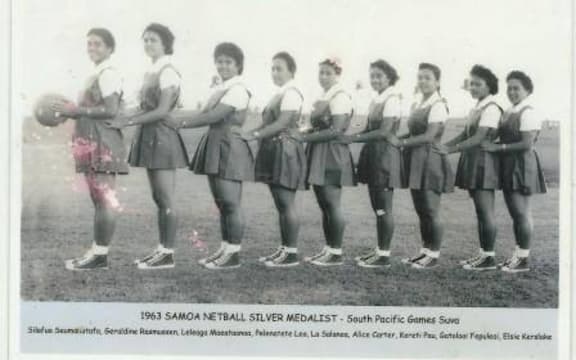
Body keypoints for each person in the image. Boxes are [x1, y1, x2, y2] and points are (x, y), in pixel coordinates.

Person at [106, 23, 189, 269]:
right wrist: (120, 115)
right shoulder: (152, 70)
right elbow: (143, 106)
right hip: (150, 134)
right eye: (145, 40)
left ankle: (168, 253)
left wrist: (128, 120)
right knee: (158, 198)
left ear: (165, 43)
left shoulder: (168, 70)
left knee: (166, 198)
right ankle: (162, 249)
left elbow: (162, 110)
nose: (148, 44)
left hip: (162, 136)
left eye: (153, 40)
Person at [168, 42, 253, 269]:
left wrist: (180, 124)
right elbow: (203, 112)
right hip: (216, 144)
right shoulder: (222, 88)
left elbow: (214, 116)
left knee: (231, 203)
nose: (223, 66)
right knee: (222, 203)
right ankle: (225, 248)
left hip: (229, 146)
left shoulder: (238, 89)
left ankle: (233, 253)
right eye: (220, 61)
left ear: (238, 65)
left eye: (228, 62)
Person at [51, 28, 128, 270]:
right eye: (90, 44)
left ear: (109, 49)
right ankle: (97, 252)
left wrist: (77, 111)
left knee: (104, 199)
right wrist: (69, 112)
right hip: (89, 138)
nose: (92, 48)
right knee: (98, 199)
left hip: (102, 139)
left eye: (98, 44)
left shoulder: (108, 73)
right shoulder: (96, 73)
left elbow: (111, 109)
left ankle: (100, 255)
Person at [387, 63, 454, 269]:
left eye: (428, 78)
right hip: (415, 158)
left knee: (431, 209)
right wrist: (396, 138)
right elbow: (413, 132)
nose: (423, 81)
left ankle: (433, 255)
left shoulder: (438, 104)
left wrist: (402, 143)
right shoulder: (419, 103)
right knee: (421, 209)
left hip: (430, 159)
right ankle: (425, 251)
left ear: (437, 82)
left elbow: (429, 135)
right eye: (420, 77)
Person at [242, 52, 306, 267]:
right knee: (280, 203)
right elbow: (267, 123)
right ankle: (284, 248)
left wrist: (255, 135)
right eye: (273, 68)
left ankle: (291, 252)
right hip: (274, 149)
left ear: (291, 71)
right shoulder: (280, 93)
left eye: (280, 68)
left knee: (286, 203)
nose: (275, 73)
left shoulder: (292, 93)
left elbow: (282, 123)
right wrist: (250, 132)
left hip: (285, 151)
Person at [338, 59, 403, 268]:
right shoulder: (378, 98)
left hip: (384, 156)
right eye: (372, 76)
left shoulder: (392, 98)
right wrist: (352, 134)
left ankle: (384, 255)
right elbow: (367, 127)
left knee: (384, 207)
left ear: (388, 77)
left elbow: (384, 131)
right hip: (374, 154)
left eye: (379, 76)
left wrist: (354, 138)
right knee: (378, 206)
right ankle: (379, 250)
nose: (374, 80)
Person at [481, 70, 547, 273]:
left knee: (521, 213)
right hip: (510, 163)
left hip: (522, 164)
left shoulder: (528, 111)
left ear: (527, 90)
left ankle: (523, 258)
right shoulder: (510, 110)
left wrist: (497, 148)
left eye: (516, 88)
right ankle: (518, 255)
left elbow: (527, 143)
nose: (512, 92)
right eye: (509, 88)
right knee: (515, 213)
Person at [294, 57, 356, 266]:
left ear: (337, 74)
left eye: (328, 73)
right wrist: (302, 131)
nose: (323, 77)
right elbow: (316, 126)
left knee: (332, 203)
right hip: (319, 150)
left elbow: (336, 130)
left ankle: (336, 252)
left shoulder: (340, 96)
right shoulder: (324, 95)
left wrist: (303, 138)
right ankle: (329, 248)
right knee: (324, 204)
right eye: (321, 72)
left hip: (332, 152)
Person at [443, 65, 503, 270]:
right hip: (473, 161)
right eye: (471, 84)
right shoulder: (477, 107)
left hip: (484, 163)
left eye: (478, 84)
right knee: (480, 211)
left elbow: (478, 138)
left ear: (489, 86)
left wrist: (449, 151)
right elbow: (465, 135)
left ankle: (488, 257)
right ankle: (483, 253)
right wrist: (445, 146)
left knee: (485, 211)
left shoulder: (492, 108)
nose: (473, 87)